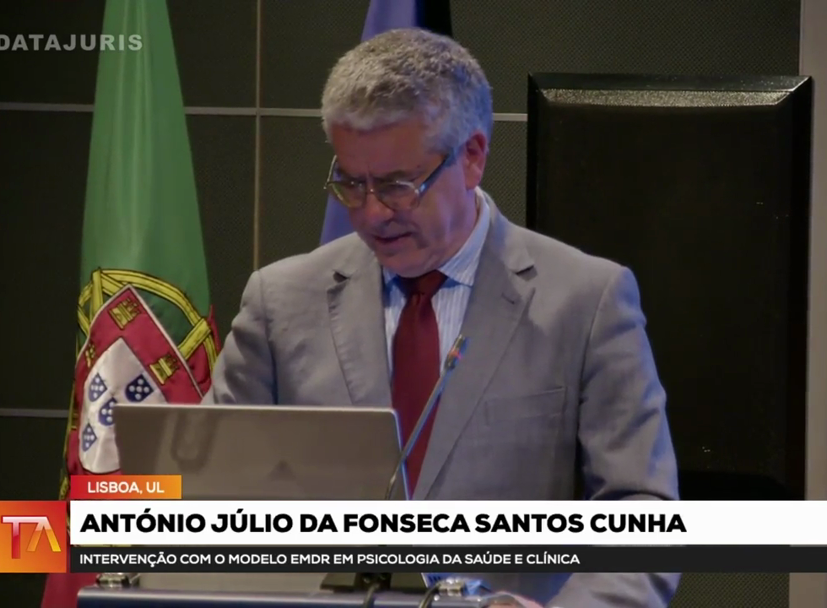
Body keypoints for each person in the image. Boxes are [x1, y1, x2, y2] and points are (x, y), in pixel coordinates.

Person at [206, 28, 680, 608]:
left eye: (398, 186)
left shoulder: (586, 301)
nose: (372, 213)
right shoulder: (279, 301)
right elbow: (210, 495)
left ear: (472, 157)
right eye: (351, 183)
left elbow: (643, 516)